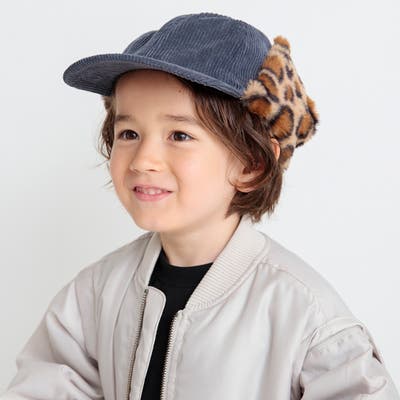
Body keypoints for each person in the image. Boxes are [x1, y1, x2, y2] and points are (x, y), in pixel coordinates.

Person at [1, 12, 399, 400]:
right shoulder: (94, 295)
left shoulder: (306, 316)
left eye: (179, 135)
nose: (143, 160)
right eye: (129, 133)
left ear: (252, 164)